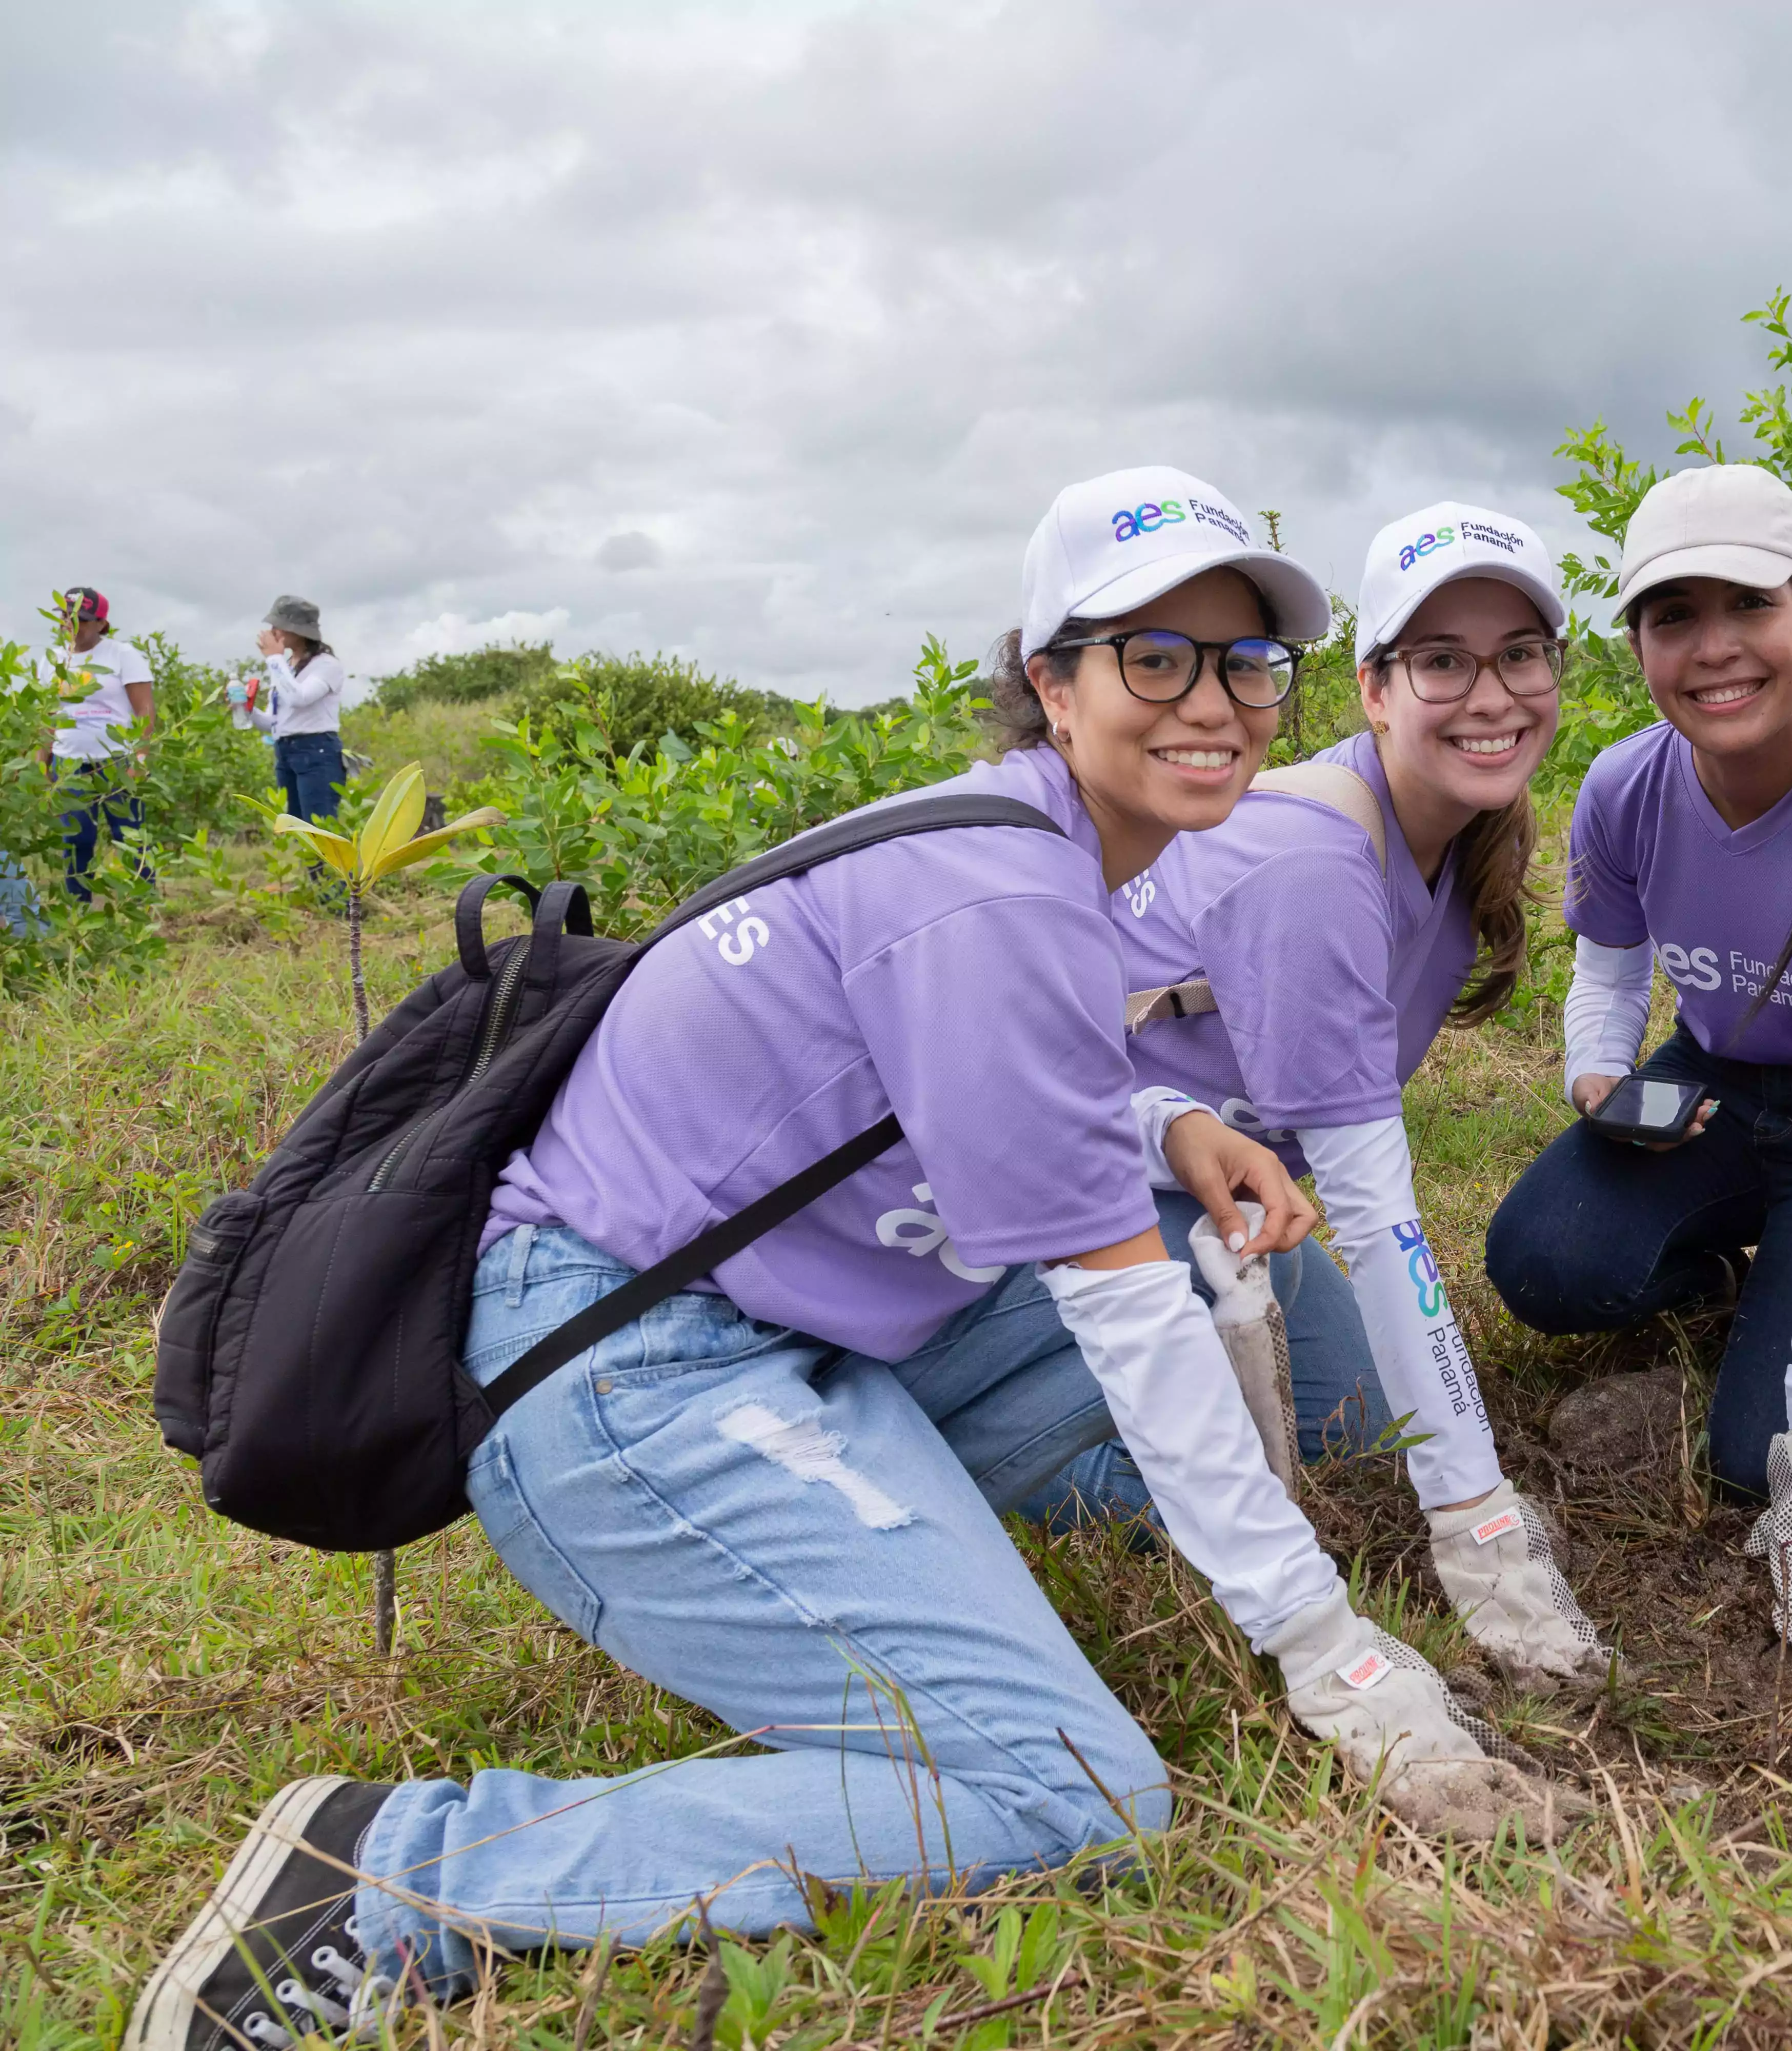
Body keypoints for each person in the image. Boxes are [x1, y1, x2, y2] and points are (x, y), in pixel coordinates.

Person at [136, 466, 1566, 2048]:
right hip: (628, 1370)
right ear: (1050, 678)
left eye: (1242, 662)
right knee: (1072, 1788)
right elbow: (1131, 1326)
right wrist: (1329, 1655)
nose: (1212, 701)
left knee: (1265, 1328)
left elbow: (958, 1077)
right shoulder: (1003, 887)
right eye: (1151, 658)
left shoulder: (1048, 846)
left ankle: (910, 1582)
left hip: (817, 1336)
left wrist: (1162, 1124)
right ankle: (396, 1871)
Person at [1052, 499, 1614, 1687]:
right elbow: (1377, 1212)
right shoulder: (1312, 862)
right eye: (1443, 661)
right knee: (1229, 1477)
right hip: (1076, 1181)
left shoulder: (1457, 842)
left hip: (1213, 1188)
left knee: (1351, 1419)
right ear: (1373, 688)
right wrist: (1478, 1520)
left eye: (1521, 655)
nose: (1492, 694)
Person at [1483, 465, 1792, 1660]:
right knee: (1542, 1264)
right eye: (1672, 617)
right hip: (1711, 1076)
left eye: (1750, 606)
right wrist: (1600, 1076)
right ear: (1638, 643)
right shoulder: (1622, 786)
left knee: (1766, 1449)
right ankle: (1755, 1292)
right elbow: (1608, 968)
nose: (1715, 650)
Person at [45, 586, 156, 899]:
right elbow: (47, 716)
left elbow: (145, 711)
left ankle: (142, 908)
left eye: (81, 618)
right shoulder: (52, 660)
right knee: (76, 839)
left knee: (131, 837)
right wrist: (41, 763)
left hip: (118, 760)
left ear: (101, 624)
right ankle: (78, 915)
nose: (72, 624)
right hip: (69, 763)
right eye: (67, 616)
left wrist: (141, 759)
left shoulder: (123, 655)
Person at [233, 595, 349, 823]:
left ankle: (322, 862)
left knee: (319, 827)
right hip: (286, 751)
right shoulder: (286, 668)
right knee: (296, 827)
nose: (274, 631)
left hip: (317, 751)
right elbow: (272, 722)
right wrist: (246, 708)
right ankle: (307, 861)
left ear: (300, 631)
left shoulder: (327, 665)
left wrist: (274, 659)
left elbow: (299, 698)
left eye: (280, 626)